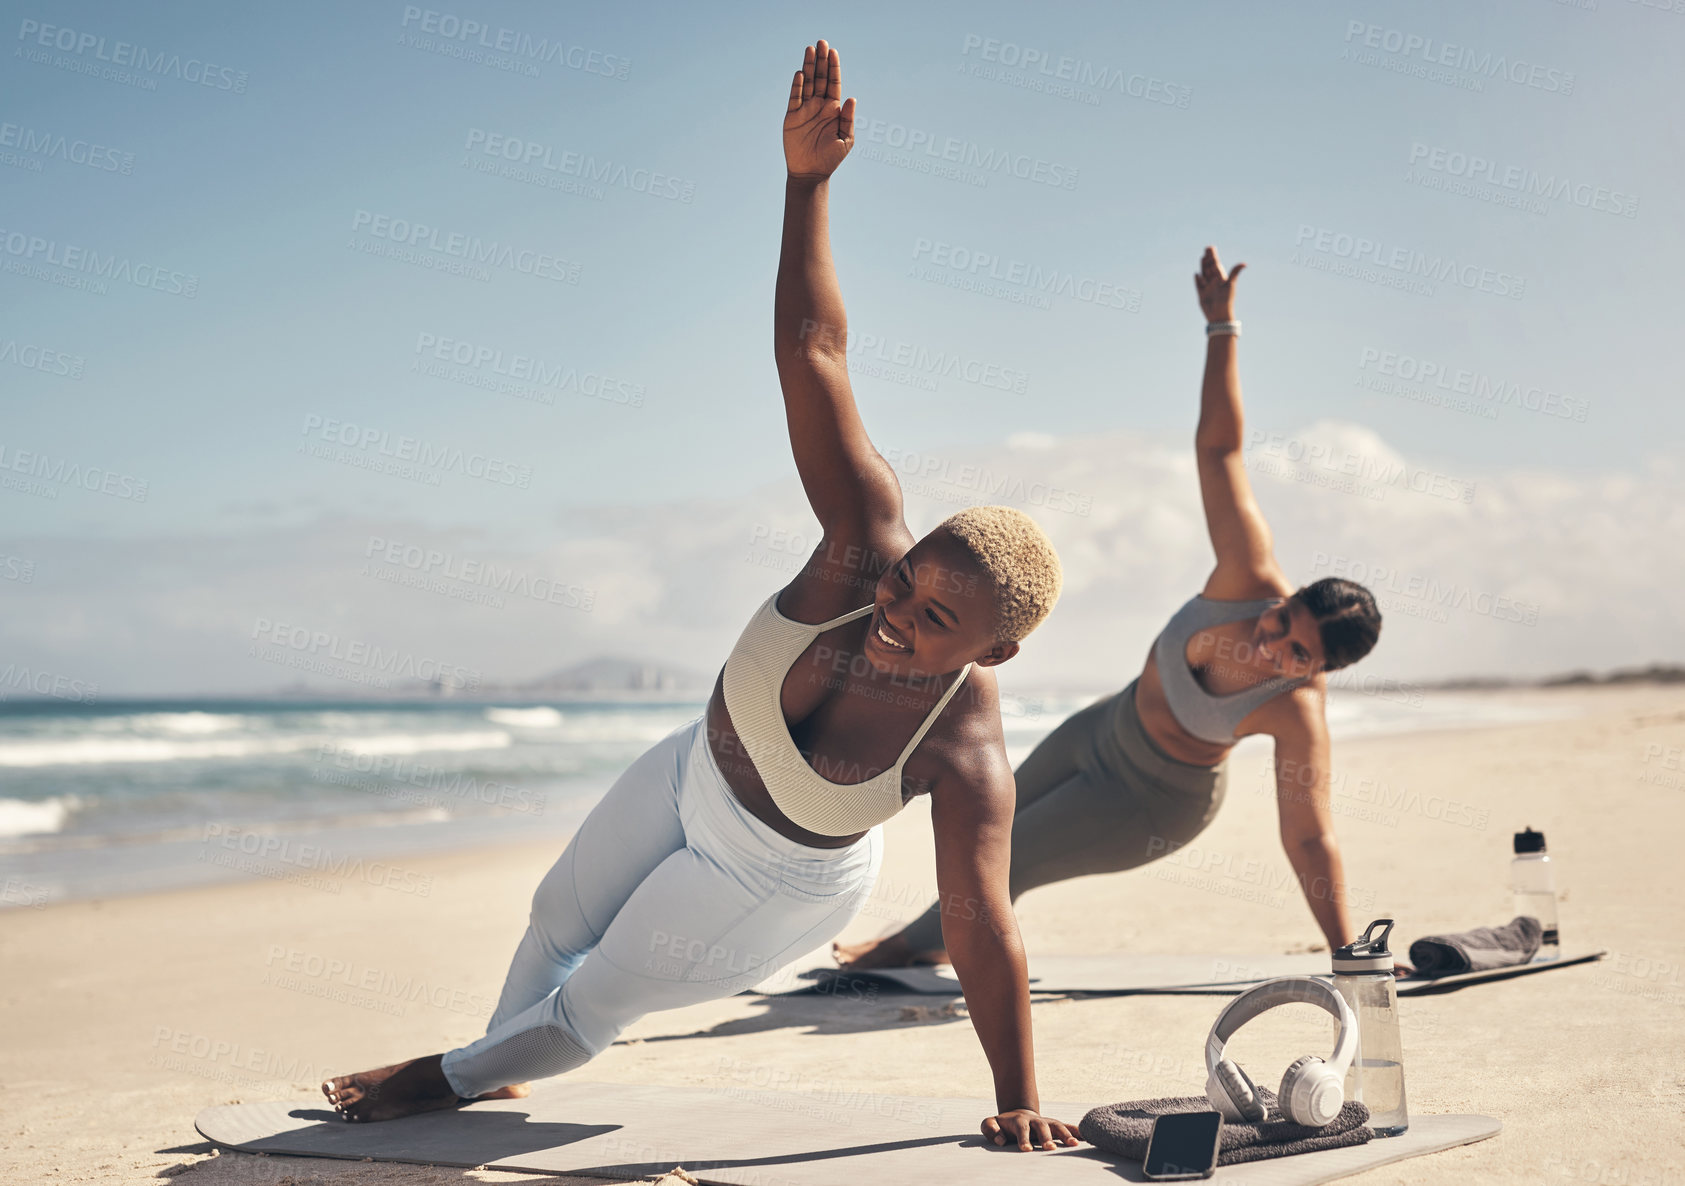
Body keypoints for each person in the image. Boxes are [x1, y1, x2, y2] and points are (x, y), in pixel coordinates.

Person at [322, 40, 1080, 1153]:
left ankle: (444, 1076)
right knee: (550, 920)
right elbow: (812, 349)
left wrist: (1016, 1088)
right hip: (690, 769)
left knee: (588, 1012)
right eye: (911, 581)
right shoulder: (860, 542)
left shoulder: (962, 748)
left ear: (991, 655)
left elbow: (979, 921)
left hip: (771, 877)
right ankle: (486, 1077)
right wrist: (805, 185)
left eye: (933, 623)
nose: (897, 614)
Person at [836, 246, 1392, 973]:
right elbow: (1219, 452)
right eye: (1282, 620)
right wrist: (1221, 329)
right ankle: (927, 936)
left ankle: (909, 948)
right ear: (1282, 599)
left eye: (1296, 655)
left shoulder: (1295, 713)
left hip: (1154, 802)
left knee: (1015, 853)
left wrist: (1345, 949)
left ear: (1316, 671)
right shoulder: (1243, 573)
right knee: (986, 816)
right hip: (1102, 726)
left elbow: (1309, 837)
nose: (1272, 644)